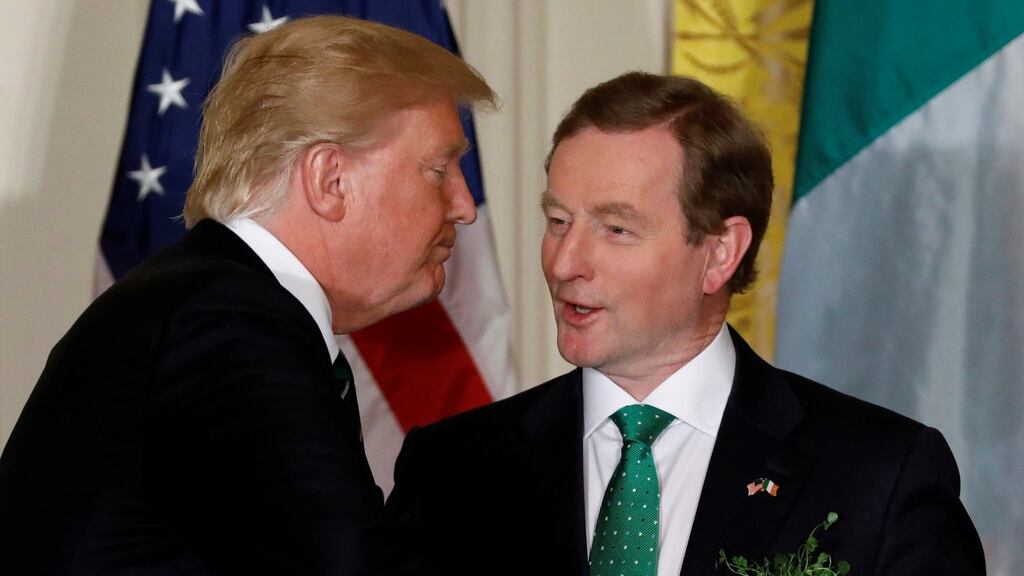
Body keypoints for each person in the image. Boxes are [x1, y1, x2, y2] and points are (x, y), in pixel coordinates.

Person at [386, 72, 985, 575]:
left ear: (720, 252)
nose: (565, 263)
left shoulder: (878, 478)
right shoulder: (450, 471)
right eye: (559, 220)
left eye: (616, 229)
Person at [0, 15, 494, 575]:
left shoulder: (206, 303)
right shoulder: (229, 324)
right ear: (330, 180)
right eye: (439, 168)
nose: (464, 205)